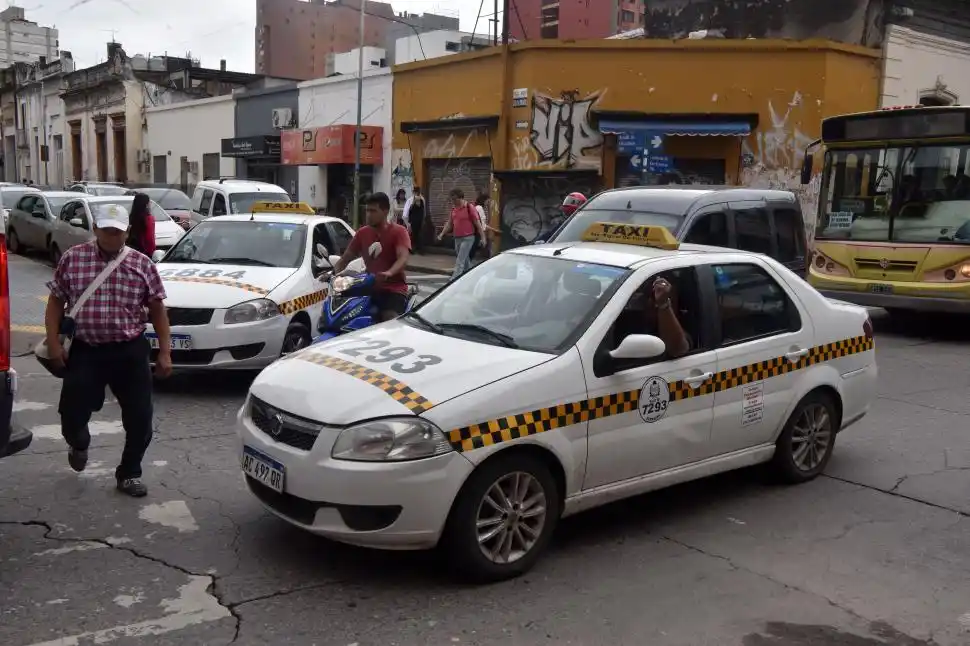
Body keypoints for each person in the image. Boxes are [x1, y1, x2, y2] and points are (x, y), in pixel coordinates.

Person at [44, 204, 173, 498]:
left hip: (130, 351)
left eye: (117, 231)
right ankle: (78, 442)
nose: (111, 236)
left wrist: (164, 352)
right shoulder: (72, 259)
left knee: (140, 419)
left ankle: (129, 473)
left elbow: (157, 310)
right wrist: (53, 344)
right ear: (95, 230)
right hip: (87, 351)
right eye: (106, 230)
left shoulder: (142, 265)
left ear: (126, 231)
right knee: (72, 414)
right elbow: (55, 303)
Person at [333, 192, 411, 322]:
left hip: (393, 289)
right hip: (368, 286)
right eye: (367, 210)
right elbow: (345, 258)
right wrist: (332, 273)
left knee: (389, 320)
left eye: (373, 211)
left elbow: (403, 258)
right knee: (343, 315)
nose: (368, 214)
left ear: (385, 211)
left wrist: (389, 272)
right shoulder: (362, 233)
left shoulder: (399, 232)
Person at [437, 188, 486, 280]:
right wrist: (442, 234)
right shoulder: (454, 209)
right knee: (465, 260)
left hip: (468, 238)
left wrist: (483, 238)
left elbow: (477, 223)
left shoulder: (469, 207)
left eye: (455, 199)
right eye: (452, 199)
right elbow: (449, 223)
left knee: (460, 260)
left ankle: (453, 280)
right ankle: (471, 276)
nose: (453, 201)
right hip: (457, 238)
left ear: (461, 198)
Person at [469, 191, 500, 264]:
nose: (488, 203)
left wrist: (493, 230)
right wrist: (483, 237)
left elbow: (483, 224)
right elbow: (481, 224)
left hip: (475, 233)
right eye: (488, 201)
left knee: (471, 253)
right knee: (471, 253)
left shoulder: (477, 207)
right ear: (484, 200)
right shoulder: (479, 208)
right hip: (476, 234)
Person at [402, 187, 426, 253]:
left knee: (419, 234)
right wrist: (407, 223)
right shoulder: (410, 200)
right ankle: (412, 248)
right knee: (413, 235)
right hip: (412, 220)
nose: (417, 193)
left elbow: (423, 211)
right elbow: (406, 212)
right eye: (415, 192)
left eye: (418, 191)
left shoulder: (422, 199)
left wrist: (423, 220)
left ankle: (420, 249)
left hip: (419, 220)